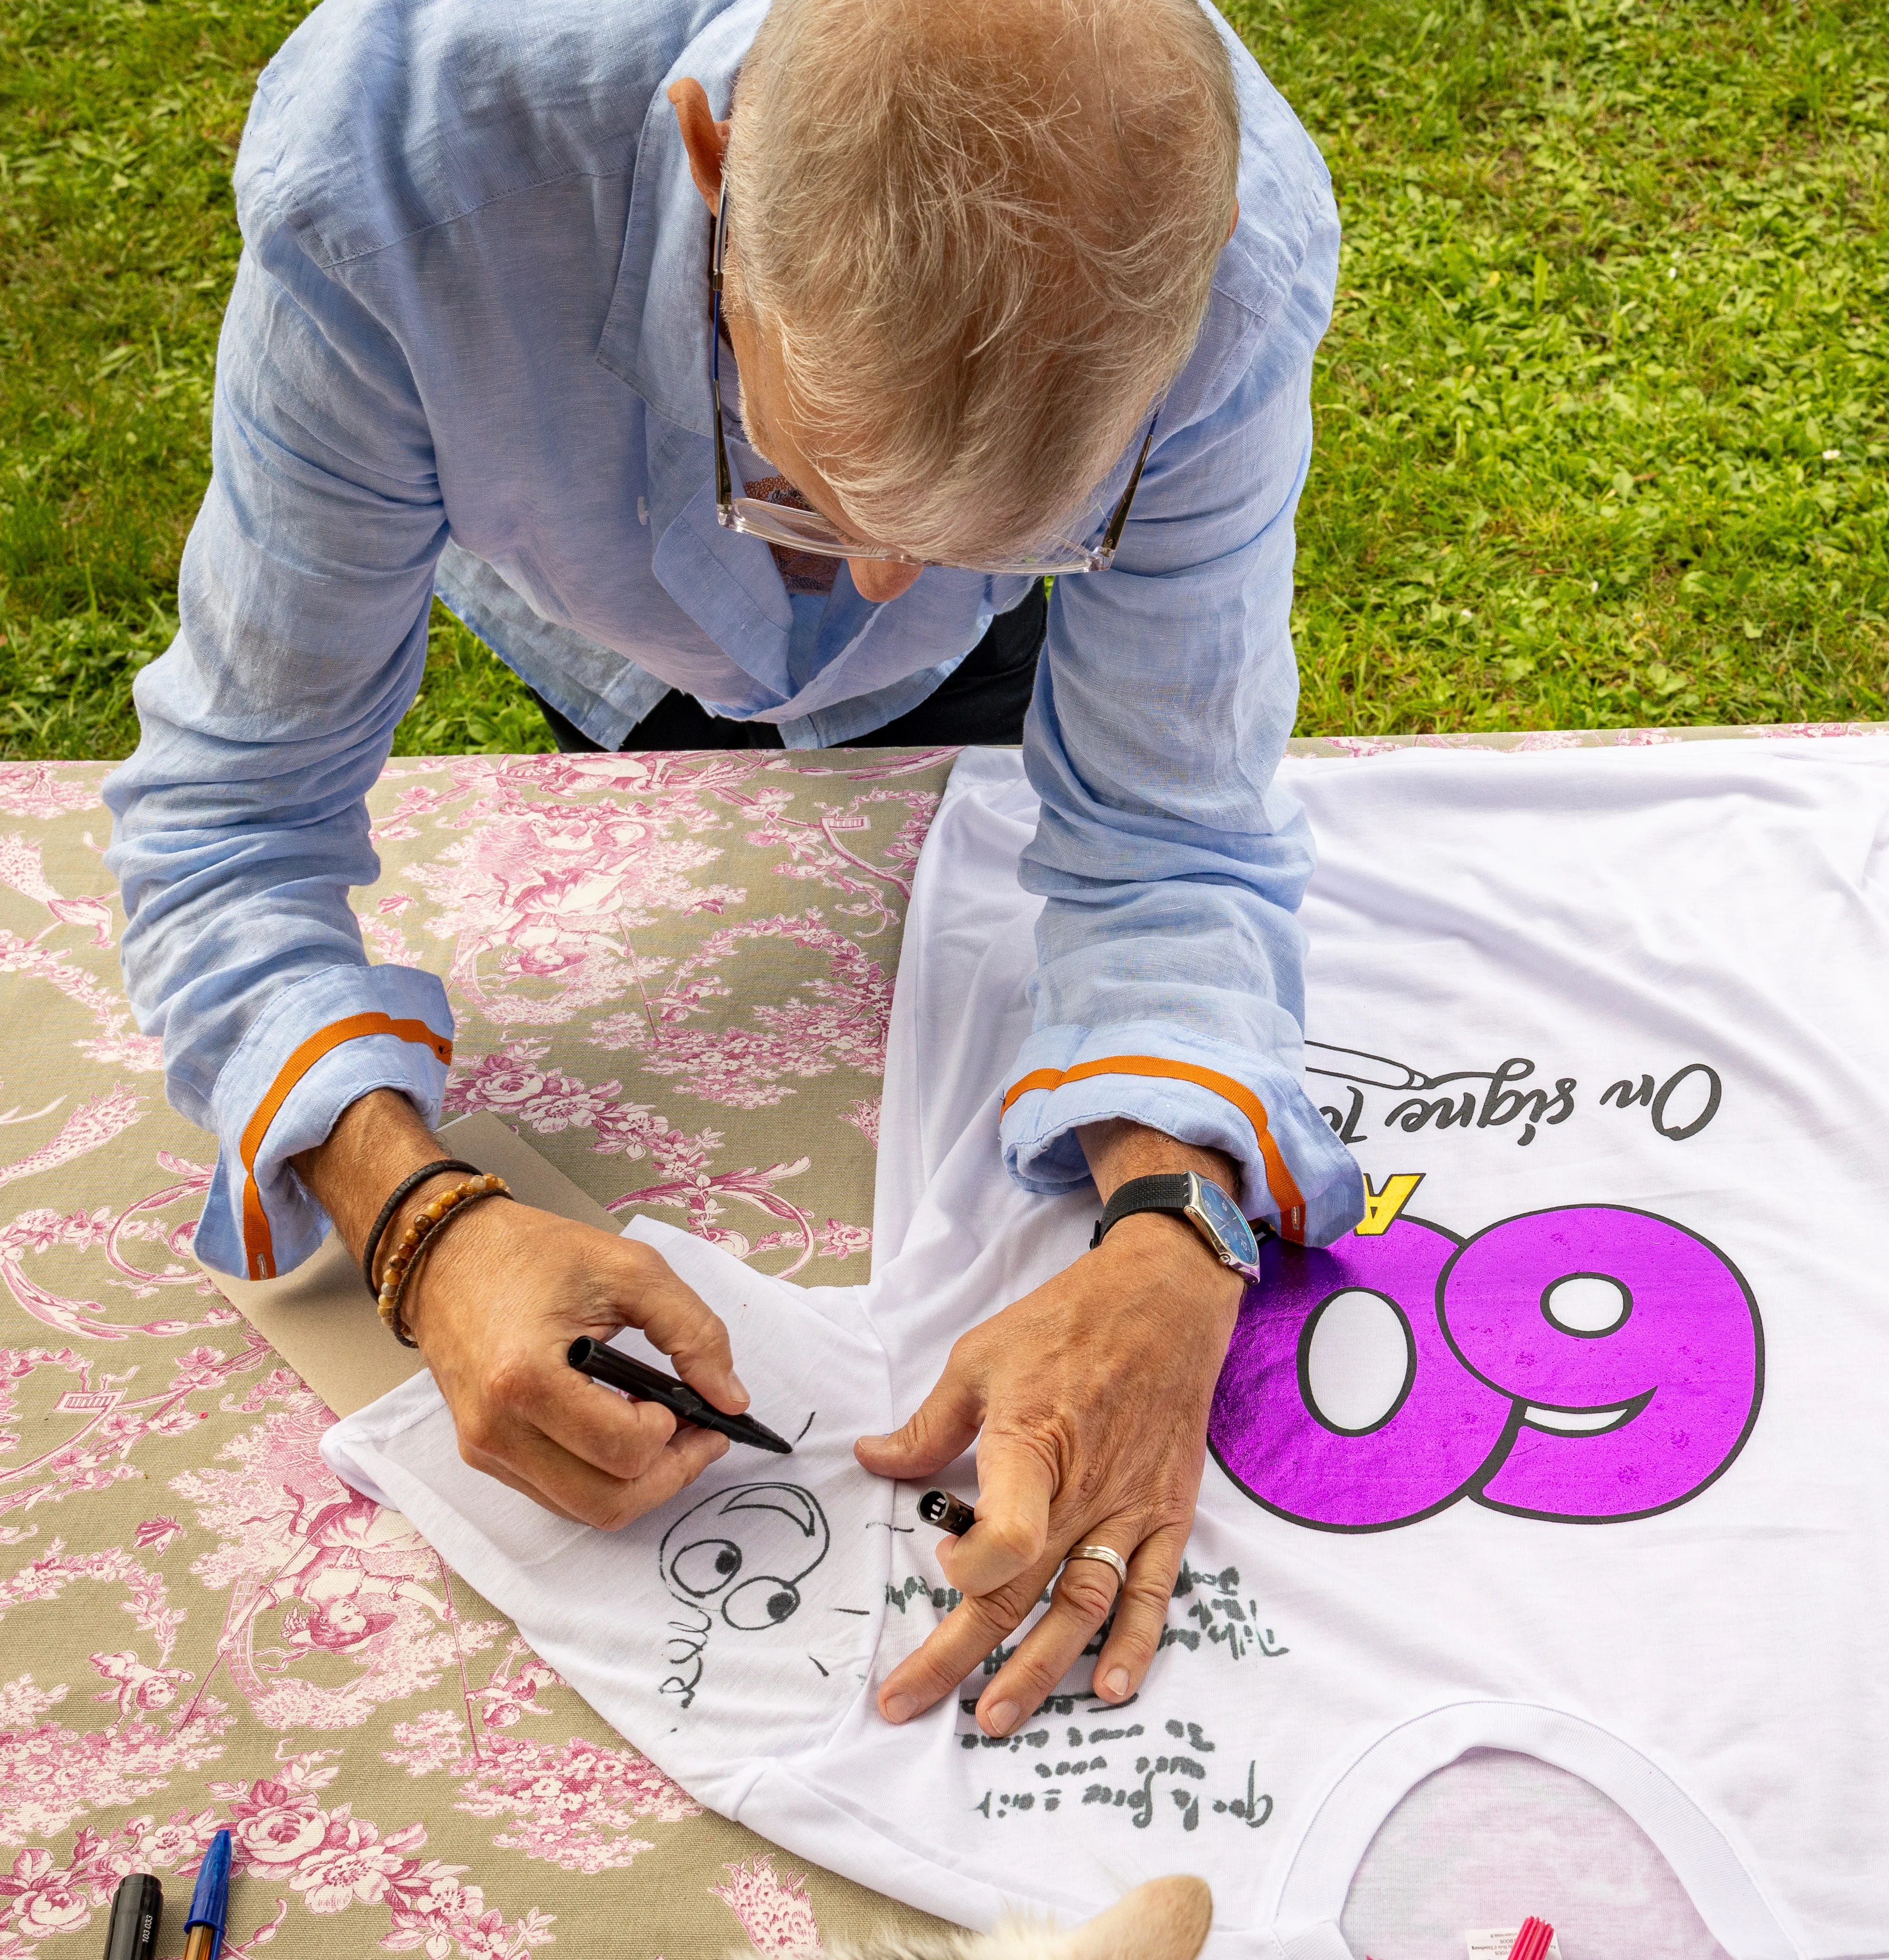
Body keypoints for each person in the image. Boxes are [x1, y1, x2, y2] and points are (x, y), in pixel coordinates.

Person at [101, 0, 1366, 1745]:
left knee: (938, 652)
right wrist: (414, 1217)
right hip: (585, 584)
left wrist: (1174, 1221)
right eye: (789, 481)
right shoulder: (398, 165)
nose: (865, 593)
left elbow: (1167, 823)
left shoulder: (1227, 246)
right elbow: (233, 812)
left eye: (1001, 537)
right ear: (714, 163)